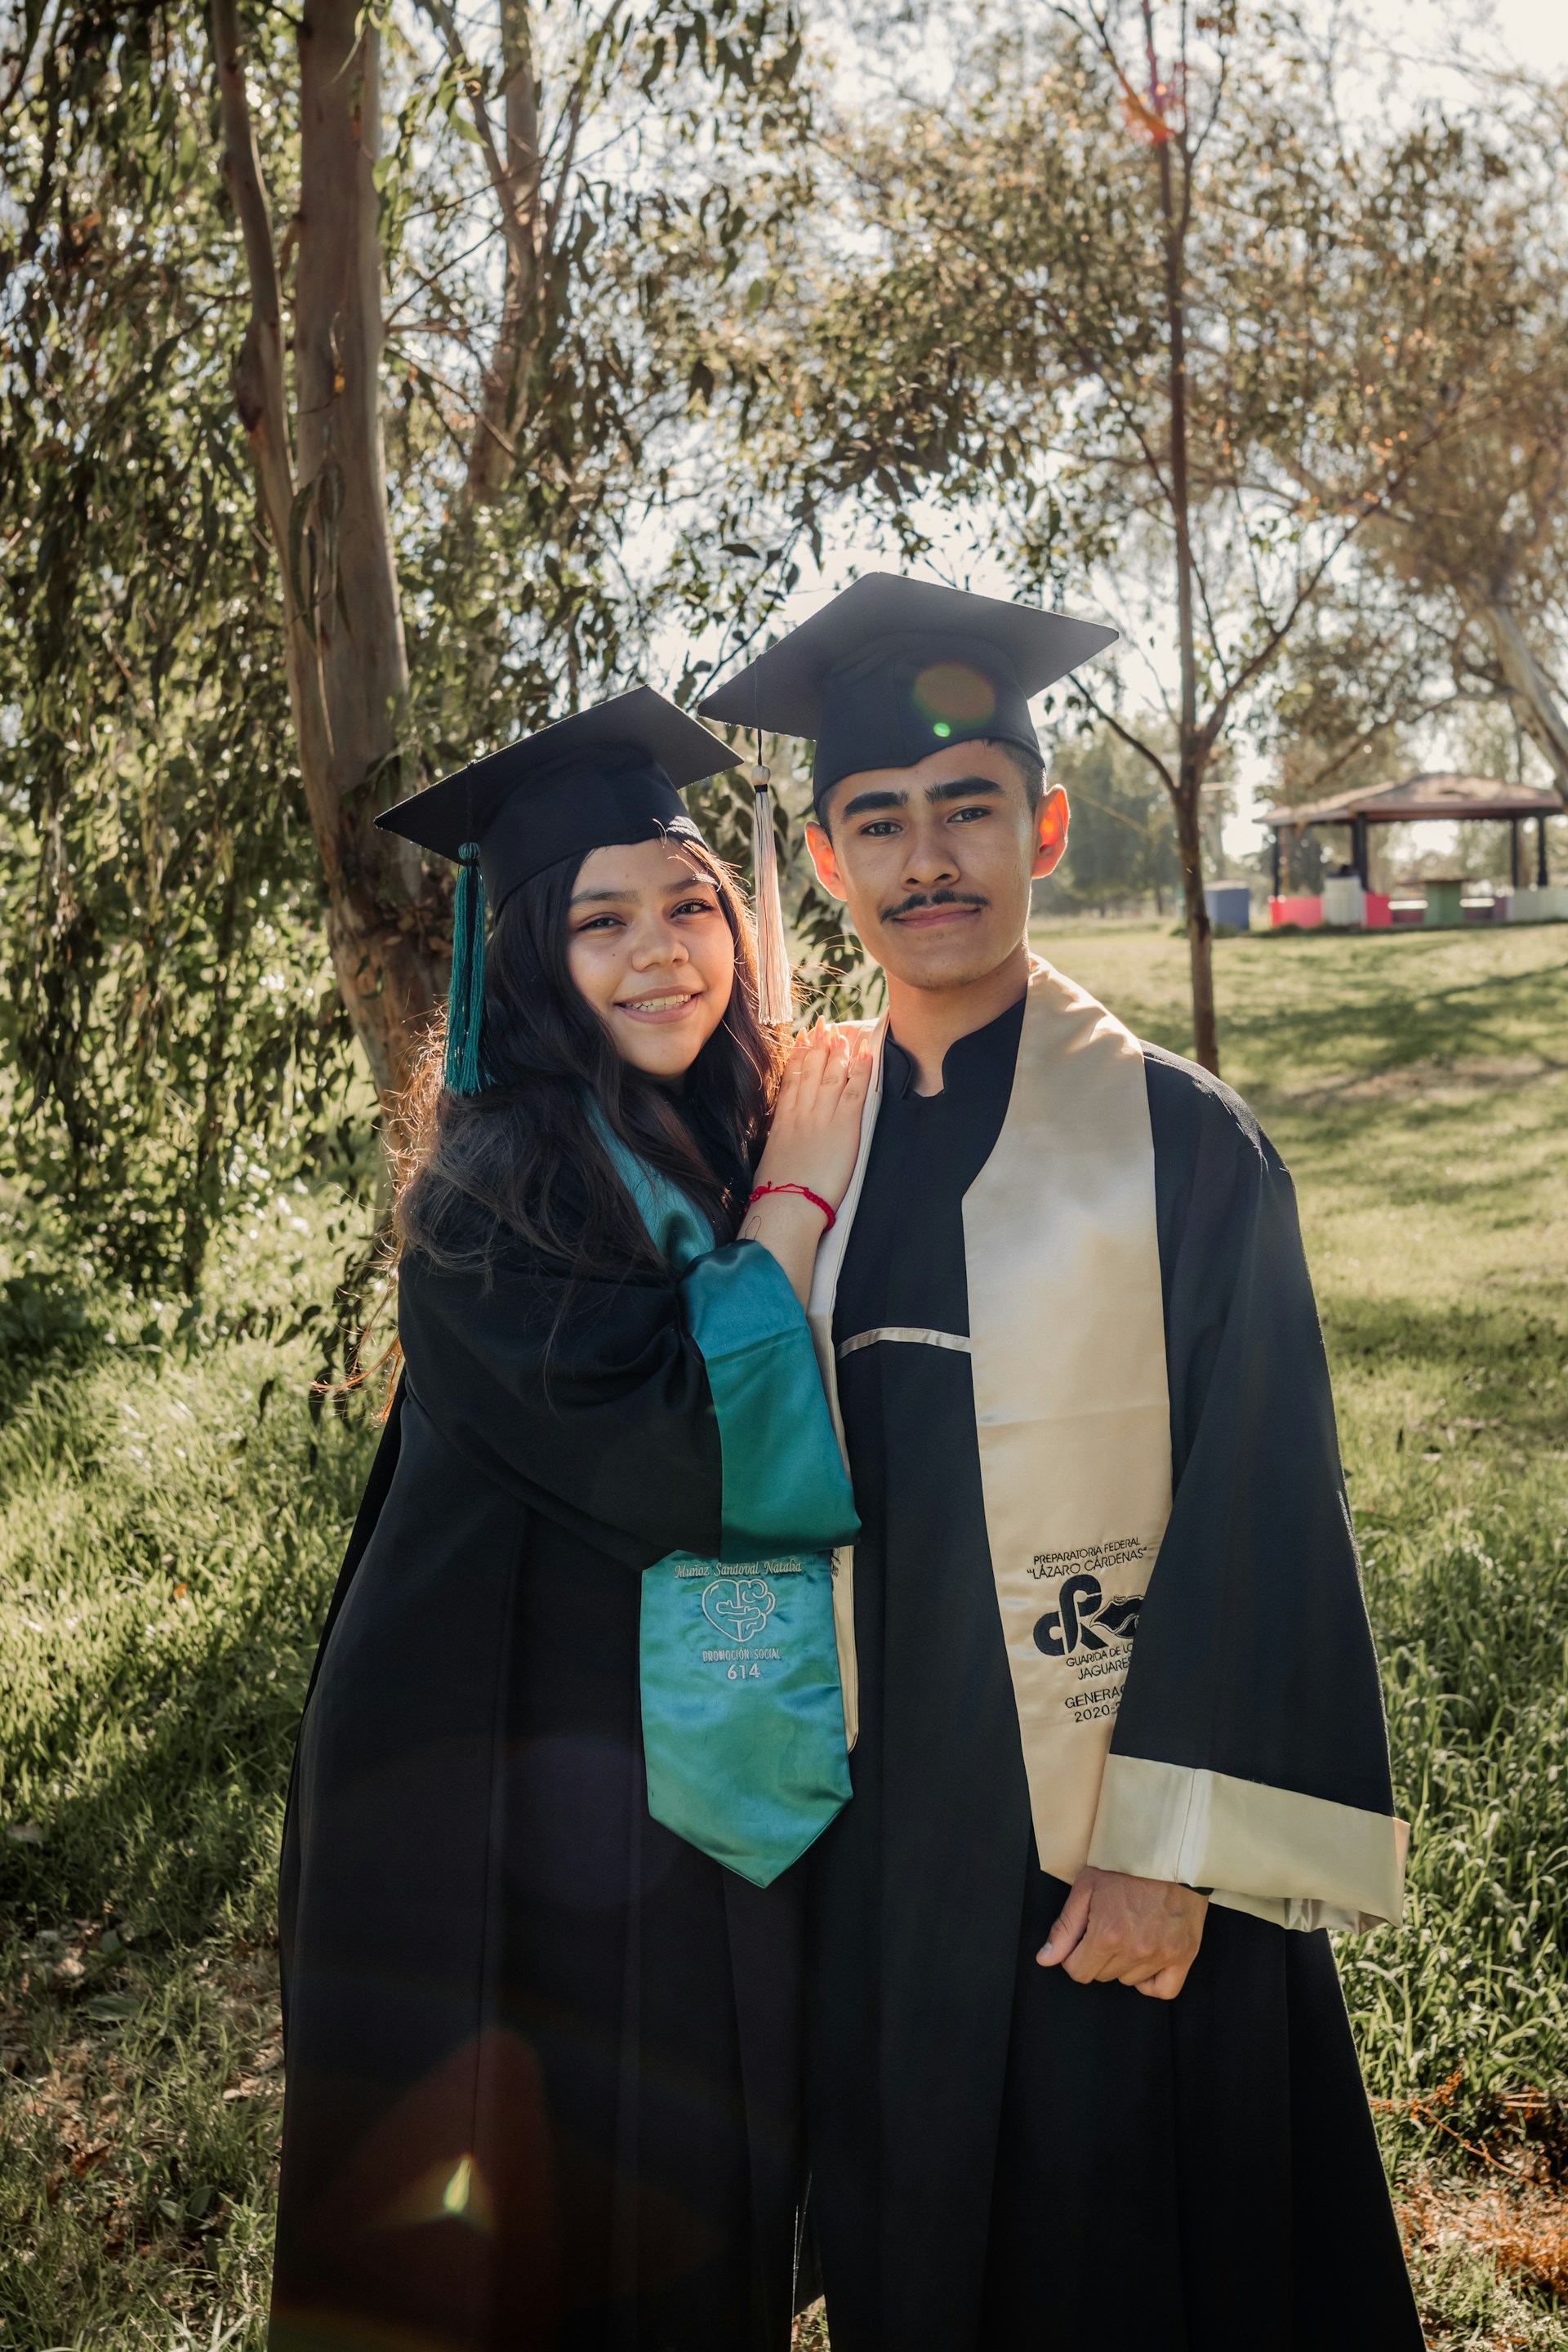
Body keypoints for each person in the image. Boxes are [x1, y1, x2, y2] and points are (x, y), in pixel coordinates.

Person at [699, 579, 1422, 2350]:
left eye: (966, 807)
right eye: (880, 821)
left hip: (1103, 1827)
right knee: (925, 2252)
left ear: (1044, 823)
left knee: (1146, 2257)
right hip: (887, 1841)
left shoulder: (1183, 1143)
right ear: (822, 858)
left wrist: (1170, 1852)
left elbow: (1265, 1506)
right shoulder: (804, 1139)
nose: (926, 858)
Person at [269, 688, 872, 2352]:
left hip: (665, 1739)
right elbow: (694, 1464)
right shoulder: (491, 1193)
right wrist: (794, 1220)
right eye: (599, 921)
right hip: (490, 1751)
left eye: (690, 906)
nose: (661, 953)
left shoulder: (727, 1113)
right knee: (530, 2207)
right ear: (528, 955)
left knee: (684, 2159)